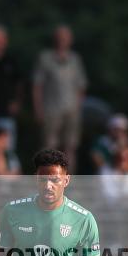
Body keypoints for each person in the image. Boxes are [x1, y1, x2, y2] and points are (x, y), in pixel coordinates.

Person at [32, 25, 88, 173]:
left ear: (71, 40)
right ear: (55, 39)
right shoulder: (45, 58)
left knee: (70, 147)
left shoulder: (75, 59)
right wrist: (38, 109)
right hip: (50, 109)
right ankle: (47, 180)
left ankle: (69, 182)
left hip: (72, 111)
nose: (63, 40)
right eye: (60, 37)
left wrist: (78, 108)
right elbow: (37, 85)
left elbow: (81, 86)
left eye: (66, 37)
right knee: (49, 148)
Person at [99, 143, 128, 248]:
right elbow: (107, 192)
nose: (125, 161)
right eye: (122, 158)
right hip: (111, 204)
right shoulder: (106, 170)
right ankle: (114, 242)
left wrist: (125, 175)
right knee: (112, 210)